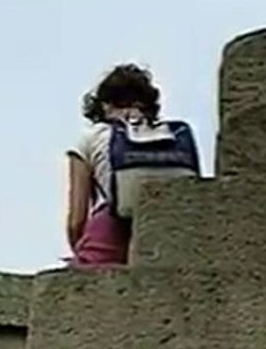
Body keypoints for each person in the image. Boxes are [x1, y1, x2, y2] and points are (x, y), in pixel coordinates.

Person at [65, 64, 199, 267]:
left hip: (110, 232)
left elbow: (76, 221)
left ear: (105, 105)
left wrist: (79, 252)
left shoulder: (92, 137)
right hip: (171, 231)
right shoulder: (171, 136)